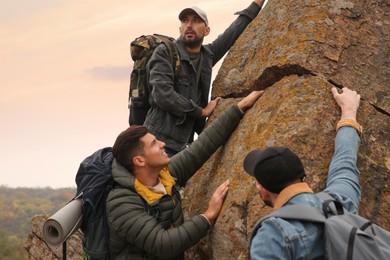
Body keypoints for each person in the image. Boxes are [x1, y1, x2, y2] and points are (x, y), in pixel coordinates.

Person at [106, 90, 264, 259]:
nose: (162, 144)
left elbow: (201, 147)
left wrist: (239, 108)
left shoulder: (165, 175)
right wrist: (208, 216)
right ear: (139, 161)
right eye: (154, 144)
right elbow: (162, 244)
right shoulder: (121, 203)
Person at [243, 87, 362, 259]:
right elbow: (345, 161)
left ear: (262, 191)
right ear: (302, 176)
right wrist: (349, 111)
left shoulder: (273, 233)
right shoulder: (340, 201)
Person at [144, 0, 267, 156]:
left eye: (196, 21)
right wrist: (200, 112)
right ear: (180, 28)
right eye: (185, 20)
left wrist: (257, 4)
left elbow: (234, 31)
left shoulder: (208, 55)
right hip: (157, 140)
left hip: (184, 145)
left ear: (207, 30)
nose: (189, 25)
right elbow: (162, 94)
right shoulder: (165, 52)